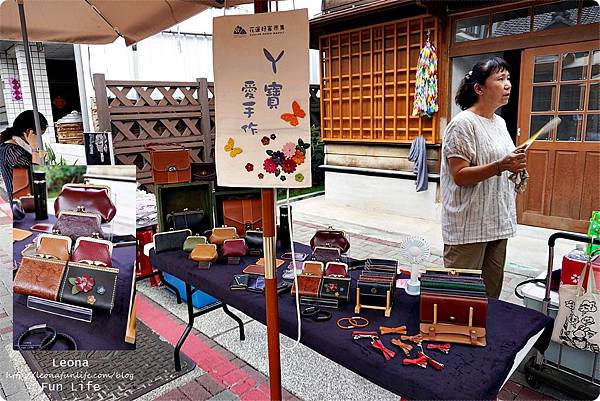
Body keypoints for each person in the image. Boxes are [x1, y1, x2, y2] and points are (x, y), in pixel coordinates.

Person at [440, 57, 527, 298]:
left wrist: (514, 166)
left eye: (508, 78)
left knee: (490, 296)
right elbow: (459, 175)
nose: (508, 84)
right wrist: (500, 165)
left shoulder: (499, 122)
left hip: (497, 220)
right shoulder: (462, 124)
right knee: (460, 296)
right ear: (479, 88)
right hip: (468, 224)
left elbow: (502, 163)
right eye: (500, 79)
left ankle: (483, 335)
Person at [0, 110, 48, 202]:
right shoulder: (12, 151)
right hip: (22, 204)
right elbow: (33, 179)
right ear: (29, 132)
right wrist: (34, 148)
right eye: (40, 135)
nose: (40, 139)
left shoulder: (16, 147)